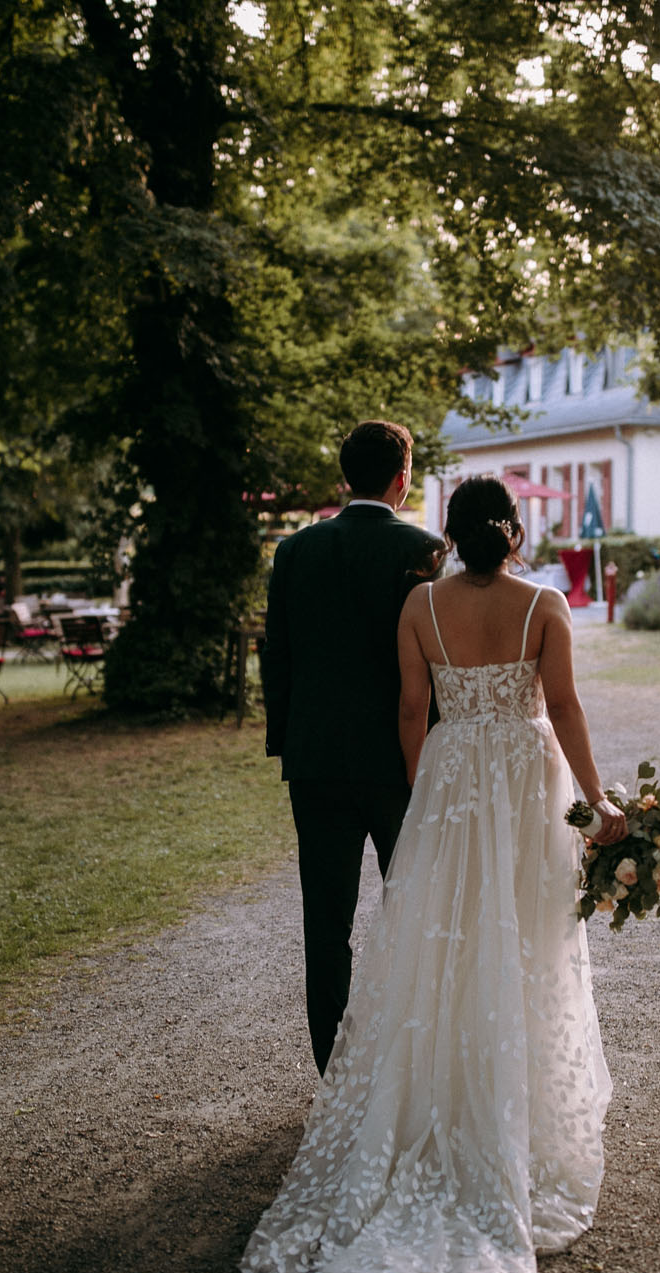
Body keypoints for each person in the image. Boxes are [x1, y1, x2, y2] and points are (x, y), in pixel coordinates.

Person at [243, 476, 628, 1273]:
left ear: (448, 532)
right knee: (527, 940)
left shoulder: (420, 604)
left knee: (444, 941)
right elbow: (563, 705)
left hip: (452, 780)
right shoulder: (545, 604)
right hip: (524, 781)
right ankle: (515, 1111)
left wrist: (427, 796)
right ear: (514, 530)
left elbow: (413, 709)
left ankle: (433, 1101)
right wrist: (598, 799)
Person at [262, 420, 447, 1075]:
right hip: (402, 763)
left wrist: (287, 740)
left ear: (346, 476)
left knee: (326, 923)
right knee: (416, 913)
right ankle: (409, 1064)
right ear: (403, 478)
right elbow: (439, 663)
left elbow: (277, 653)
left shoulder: (296, 550)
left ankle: (335, 1072)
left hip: (316, 760)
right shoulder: (424, 550)